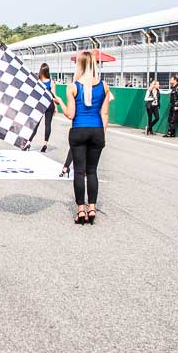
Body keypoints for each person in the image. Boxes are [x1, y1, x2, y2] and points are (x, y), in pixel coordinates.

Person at [59, 50, 112, 225]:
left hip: (79, 131)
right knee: (92, 171)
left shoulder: (73, 86)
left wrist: (60, 102)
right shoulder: (104, 86)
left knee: (79, 172)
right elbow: (104, 114)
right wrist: (101, 135)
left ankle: (80, 209)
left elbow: (71, 114)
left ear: (79, 65)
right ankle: (92, 207)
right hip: (97, 131)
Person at [35, 63, 65, 153]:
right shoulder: (51, 82)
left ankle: (28, 142)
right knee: (47, 125)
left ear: (41, 70)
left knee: (35, 124)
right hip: (49, 105)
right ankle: (45, 144)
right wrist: (56, 107)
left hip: (40, 104)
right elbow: (53, 96)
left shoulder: (38, 81)